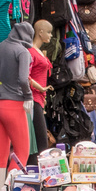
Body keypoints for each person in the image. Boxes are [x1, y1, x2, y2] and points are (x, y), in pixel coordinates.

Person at [0, 21, 35, 191]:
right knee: (22, 153)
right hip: (14, 105)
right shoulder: (22, 52)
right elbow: (23, 78)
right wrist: (28, 96)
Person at [28, 21, 55, 153]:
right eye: (49, 32)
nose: (50, 35)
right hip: (33, 98)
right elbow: (25, 76)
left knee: (40, 137)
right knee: (41, 139)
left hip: (39, 98)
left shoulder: (37, 51)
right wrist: (41, 88)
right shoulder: (31, 52)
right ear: (40, 32)